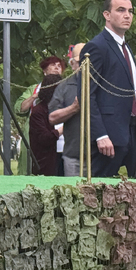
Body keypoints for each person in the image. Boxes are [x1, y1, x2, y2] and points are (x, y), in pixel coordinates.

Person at [80, 0, 136, 177]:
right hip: (109, 137)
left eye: (130, 11)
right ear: (107, 15)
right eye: (121, 10)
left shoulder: (126, 48)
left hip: (130, 133)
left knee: (128, 197)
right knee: (101, 195)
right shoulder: (96, 47)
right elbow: (86, 95)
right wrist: (100, 134)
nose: (127, 15)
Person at [49, 43, 85, 177]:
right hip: (73, 156)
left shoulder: (102, 85)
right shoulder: (64, 86)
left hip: (99, 156)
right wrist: (73, 108)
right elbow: (52, 117)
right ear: (72, 64)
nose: (85, 66)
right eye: (81, 62)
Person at [29, 73, 62, 176]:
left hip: (66, 156)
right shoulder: (38, 111)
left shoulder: (66, 108)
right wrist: (63, 129)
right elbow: (44, 138)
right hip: (47, 162)